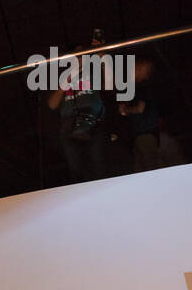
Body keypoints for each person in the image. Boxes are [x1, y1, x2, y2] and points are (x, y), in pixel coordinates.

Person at [48, 36, 109, 183]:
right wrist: (67, 80)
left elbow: (110, 82)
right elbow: (52, 104)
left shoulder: (93, 71)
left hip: (93, 119)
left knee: (97, 163)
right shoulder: (62, 77)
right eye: (78, 54)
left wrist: (102, 54)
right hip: (69, 122)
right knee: (76, 167)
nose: (82, 56)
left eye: (85, 53)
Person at [118, 54, 165, 172]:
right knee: (142, 166)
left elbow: (140, 109)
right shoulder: (139, 88)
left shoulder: (145, 87)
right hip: (140, 134)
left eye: (138, 67)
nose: (134, 69)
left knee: (148, 166)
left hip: (145, 133)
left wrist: (126, 110)